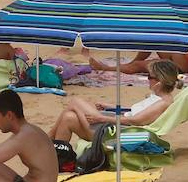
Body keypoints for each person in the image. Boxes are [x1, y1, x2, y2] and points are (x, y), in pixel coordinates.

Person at [50, 61, 180, 145]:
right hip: (116, 128)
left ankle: (46, 140)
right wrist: (113, 108)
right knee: (68, 118)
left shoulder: (162, 103)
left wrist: (101, 117)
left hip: (116, 134)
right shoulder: (158, 98)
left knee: (75, 101)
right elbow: (136, 113)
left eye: (150, 77)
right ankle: (58, 158)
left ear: (160, 82)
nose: (148, 79)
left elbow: (135, 120)